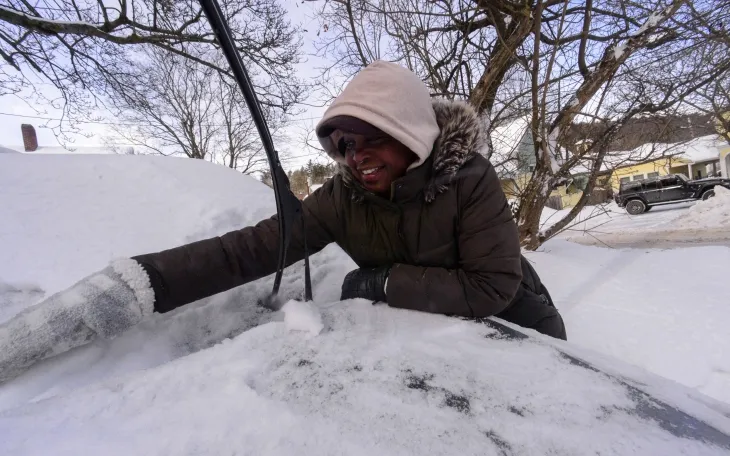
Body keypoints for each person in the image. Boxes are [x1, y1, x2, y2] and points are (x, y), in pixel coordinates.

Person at [0, 61, 566, 383]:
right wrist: (135, 286)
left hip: (519, 325)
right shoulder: (340, 200)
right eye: (344, 144)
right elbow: (247, 251)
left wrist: (381, 281)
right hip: (437, 337)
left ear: (413, 131)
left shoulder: (469, 180)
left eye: (373, 138)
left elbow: (492, 286)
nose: (356, 155)